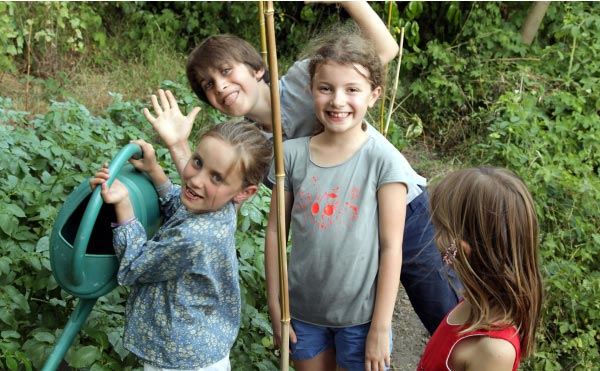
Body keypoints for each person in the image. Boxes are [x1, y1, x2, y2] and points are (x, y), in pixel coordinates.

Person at [144, 1, 460, 337]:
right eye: (207, 84)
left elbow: (385, 48)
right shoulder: (250, 147)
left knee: (440, 310)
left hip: (398, 206)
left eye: (225, 71)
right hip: (342, 228)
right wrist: (178, 145)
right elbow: (211, 194)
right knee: (355, 331)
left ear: (256, 69)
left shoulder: (301, 79)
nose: (219, 86)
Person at [262, 26, 427, 370]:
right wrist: (277, 307)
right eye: (326, 88)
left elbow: (391, 247)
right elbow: (276, 233)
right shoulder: (289, 155)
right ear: (311, 92)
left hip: (362, 319)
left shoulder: (385, 161)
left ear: (373, 94)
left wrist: (381, 327)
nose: (337, 101)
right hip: (302, 314)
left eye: (352, 89)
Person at [89, 121, 272, 370]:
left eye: (216, 177)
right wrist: (154, 171)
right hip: (201, 347)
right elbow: (179, 206)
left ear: (244, 192)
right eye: (197, 162)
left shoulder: (196, 237)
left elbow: (133, 267)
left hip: (181, 361)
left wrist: (122, 205)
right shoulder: (219, 208)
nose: (196, 180)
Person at [417, 167, 543, 371]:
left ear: (462, 249)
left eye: (440, 229)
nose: (435, 239)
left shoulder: (493, 350)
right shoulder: (474, 300)